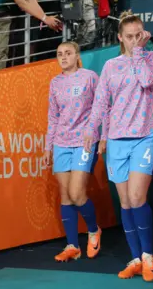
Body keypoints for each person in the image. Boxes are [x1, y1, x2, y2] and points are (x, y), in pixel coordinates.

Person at [84, 11, 153, 281]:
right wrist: (94, 131)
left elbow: (146, 81)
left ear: (144, 34)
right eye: (129, 37)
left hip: (145, 136)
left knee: (138, 197)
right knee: (126, 202)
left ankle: (149, 256)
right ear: (120, 38)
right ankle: (135, 258)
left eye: (139, 35)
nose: (134, 40)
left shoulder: (151, 58)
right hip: (117, 139)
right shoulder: (111, 66)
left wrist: (140, 50)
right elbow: (101, 102)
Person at [43, 41, 102, 262]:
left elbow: (101, 107)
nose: (63, 57)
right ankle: (72, 246)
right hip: (61, 142)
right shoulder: (55, 83)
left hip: (84, 141)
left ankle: (94, 230)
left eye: (68, 53)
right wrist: (48, 146)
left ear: (77, 55)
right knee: (66, 195)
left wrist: (102, 136)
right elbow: (53, 117)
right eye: (59, 54)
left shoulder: (89, 77)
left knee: (78, 193)